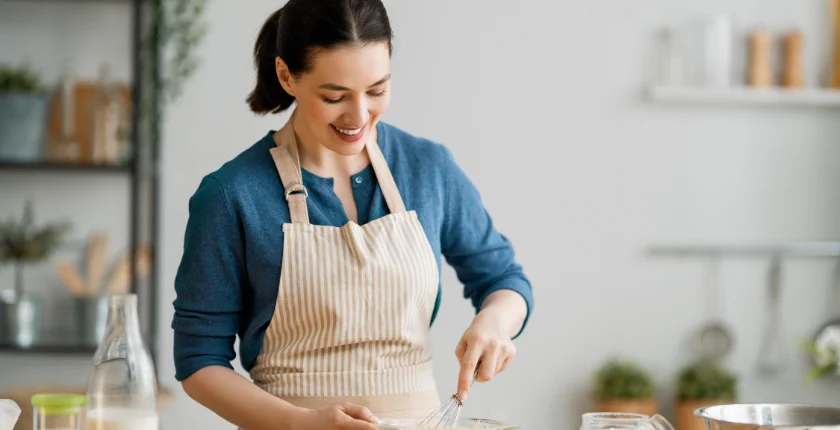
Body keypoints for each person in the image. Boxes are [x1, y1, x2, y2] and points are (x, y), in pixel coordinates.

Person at [171, 1, 533, 429]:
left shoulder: (428, 168)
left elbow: (503, 279)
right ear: (287, 76)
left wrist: (494, 322)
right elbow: (199, 361)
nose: (359, 117)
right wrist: (299, 423)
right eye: (334, 96)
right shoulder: (231, 195)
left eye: (377, 90)